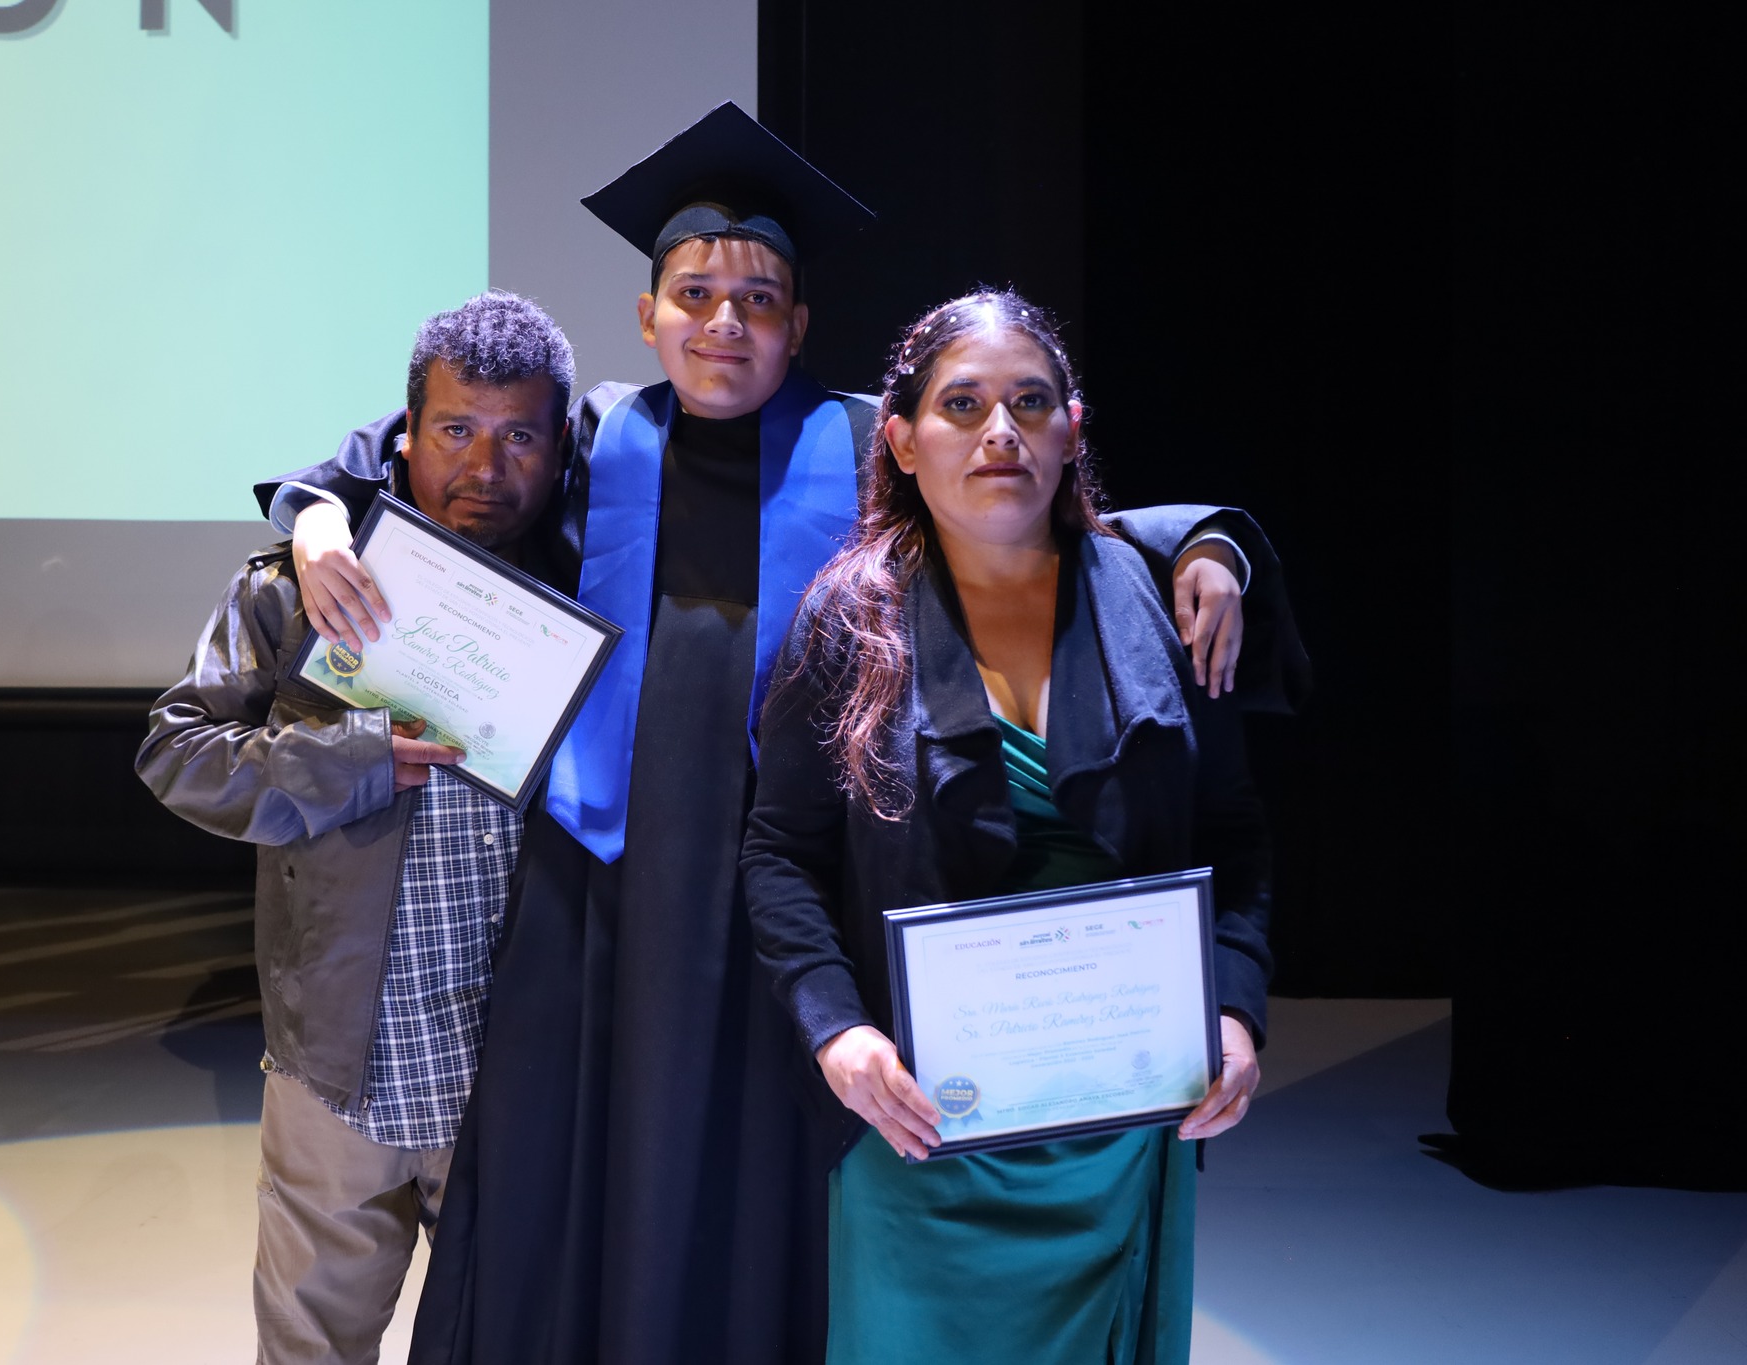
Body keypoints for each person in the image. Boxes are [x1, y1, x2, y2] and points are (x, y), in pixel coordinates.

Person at [263, 106, 1292, 1365]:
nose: (723, 323)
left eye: (757, 300)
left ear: (797, 327)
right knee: (600, 1187)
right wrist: (319, 512)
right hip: (607, 899)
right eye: (694, 294)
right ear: (647, 315)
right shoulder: (595, 439)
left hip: (803, 891)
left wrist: (1208, 541)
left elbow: (1043, 514)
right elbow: (427, 453)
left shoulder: (865, 441)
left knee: (786, 1193)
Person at [739, 289, 1272, 1363]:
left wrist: (1233, 1013)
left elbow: (1233, 835)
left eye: (1030, 403)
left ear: (1070, 429)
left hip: (1123, 1116)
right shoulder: (848, 618)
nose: (1000, 431)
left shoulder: (1155, 597)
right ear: (902, 441)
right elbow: (779, 854)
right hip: (922, 1120)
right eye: (962, 404)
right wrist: (838, 1034)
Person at [134, 291, 577, 1365]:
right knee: (311, 1348)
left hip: (517, 1068)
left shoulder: (590, 596)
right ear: (404, 435)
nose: (485, 465)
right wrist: (348, 759)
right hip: (340, 1061)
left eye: (519, 436)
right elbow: (175, 753)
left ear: (561, 447)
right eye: (455, 429)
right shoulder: (302, 589)